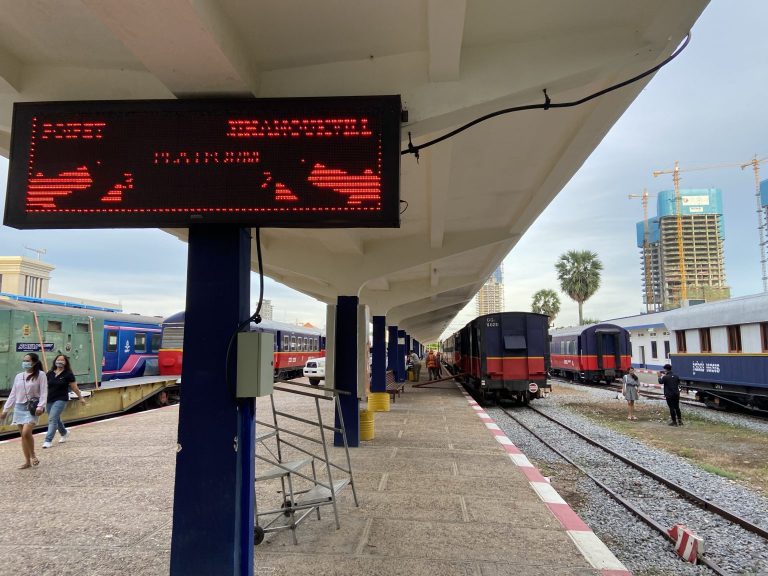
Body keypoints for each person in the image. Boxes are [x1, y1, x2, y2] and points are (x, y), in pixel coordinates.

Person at [0, 352, 47, 469]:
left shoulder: (41, 375)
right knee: (23, 435)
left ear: (34, 362)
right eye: (24, 360)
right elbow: (13, 393)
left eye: (27, 361)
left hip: (32, 408)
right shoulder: (19, 376)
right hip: (19, 407)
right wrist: (6, 409)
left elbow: (44, 392)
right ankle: (27, 462)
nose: (25, 363)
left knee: (26, 432)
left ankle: (33, 455)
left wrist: (41, 406)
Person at [43, 354, 86, 448]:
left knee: (52, 418)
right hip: (50, 399)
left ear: (66, 363)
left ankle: (48, 440)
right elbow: (44, 386)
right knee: (55, 418)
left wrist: (80, 398)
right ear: (55, 361)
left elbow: (74, 387)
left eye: (62, 360)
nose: (60, 362)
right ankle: (64, 432)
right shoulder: (50, 373)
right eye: (58, 360)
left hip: (61, 399)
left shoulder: (68, 374)